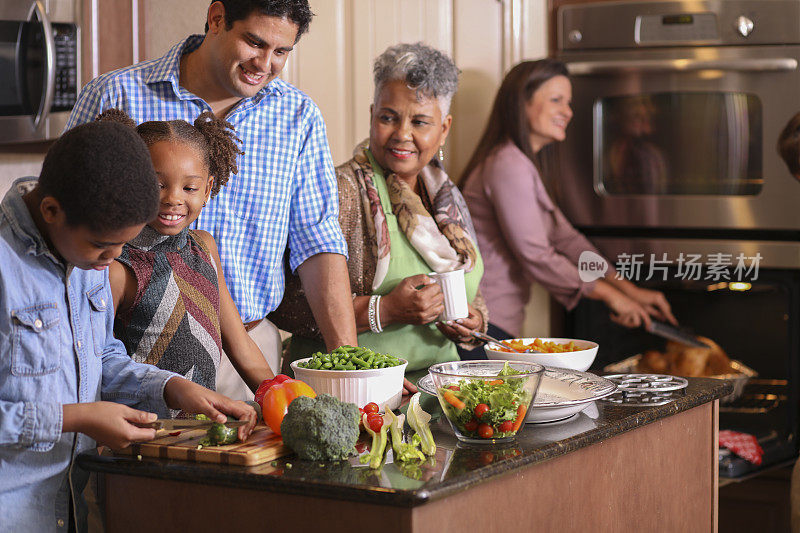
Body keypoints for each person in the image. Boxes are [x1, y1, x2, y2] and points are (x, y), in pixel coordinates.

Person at [64, 0, 357, 393]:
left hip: (247, 354)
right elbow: (62, 218)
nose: (265, 63)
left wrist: (352, 369)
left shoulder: (298, 116)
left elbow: (318, 240)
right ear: (217, 19)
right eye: (254, 42)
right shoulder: (113, 94)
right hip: (119, 355)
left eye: (281, 51)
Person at [0, 121, 256, 532]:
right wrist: (75, 418)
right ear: (51, 211)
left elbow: (101, 355)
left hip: (65, 511)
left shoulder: (86, 248)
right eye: (104, 247)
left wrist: (170, 386)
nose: (114, 259)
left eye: (125, 244)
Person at [274, 43, 488, 385]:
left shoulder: (447, 197)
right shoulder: (337, 190)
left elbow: (472, 289)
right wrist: (385, 309)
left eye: (420, 121)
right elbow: (283, 303)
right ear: (373, 113)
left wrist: (473, 323)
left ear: (444, 128)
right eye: (389, 117)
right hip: (350, 387)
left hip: (440, 389)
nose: (402, 134)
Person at [461, 59, 676, 340]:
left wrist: (627, 288)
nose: (568, 111)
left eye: (568, 102)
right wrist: (610, 295)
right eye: (556, 100)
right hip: (483, 321)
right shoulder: (507, 165)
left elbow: (566, 239)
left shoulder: (521, 164)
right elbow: (536, 255)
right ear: (521, 103)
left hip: (497, 319)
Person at [95, 109, 273, 413]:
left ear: (207, 189)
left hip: (202, 430)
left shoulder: (204, 247)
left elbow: (239, 343)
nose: (173, 198)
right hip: (143, 437)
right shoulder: (117, 267)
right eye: (157, 184)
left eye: (189, 188)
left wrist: (281, 395)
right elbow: (100, 364)